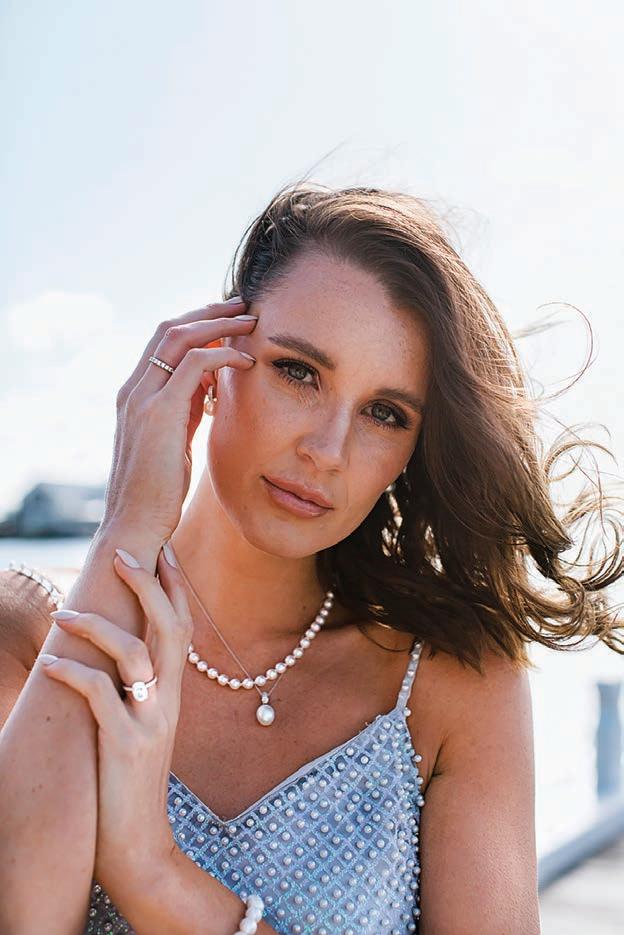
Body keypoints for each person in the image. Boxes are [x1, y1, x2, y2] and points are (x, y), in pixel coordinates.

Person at [1, 182, 622, 935]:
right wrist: (126, 530)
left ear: (412, 449)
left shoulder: (451, 680)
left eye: (384, 413)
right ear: (214, 356)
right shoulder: (28, 638)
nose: (327, 450)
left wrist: (154, 871)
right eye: (298, 371)